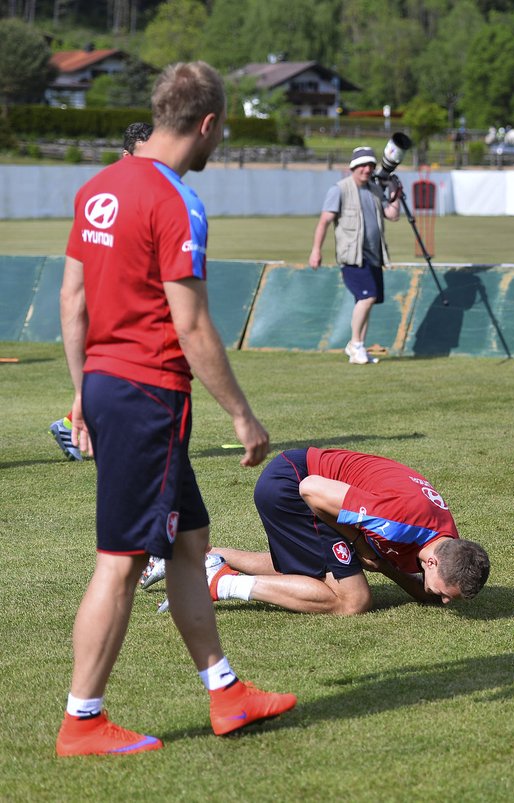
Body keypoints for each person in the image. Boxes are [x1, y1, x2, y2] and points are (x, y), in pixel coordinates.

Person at [55, 62, 296, 757]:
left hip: (107, 382)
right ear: (209, 125)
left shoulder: (97, 187)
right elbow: (190, 324)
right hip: (147, 395)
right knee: (122, 561)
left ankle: (226, 692)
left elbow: (73, 302)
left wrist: (82, 388)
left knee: (190, 540)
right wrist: (243, 415)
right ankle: (83, 719)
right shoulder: (176, 199)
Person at [141, 447, 490, 614]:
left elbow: (416, 582)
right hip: (292, 484)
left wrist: (383, 565)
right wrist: (357, 542)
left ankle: (196, 557)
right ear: (431, 564)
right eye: (445, 594)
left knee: (306, 566)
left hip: (298, 477)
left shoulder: (445, 541)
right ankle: (219, 582)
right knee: (353, 599)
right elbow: (311, 489)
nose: (442, 601)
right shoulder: (398, 522)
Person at [48, 121, 154, 461]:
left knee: (120, 375)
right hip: (107, 299)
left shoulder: (147, 192)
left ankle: (76, 424)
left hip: (125, 298)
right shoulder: (103, 193)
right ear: (126, 156)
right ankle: (75, 425)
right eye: (143, 157)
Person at [309, 146, 401, 365]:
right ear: (353, 167)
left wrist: (395, 192)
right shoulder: (339, 189)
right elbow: (324, 221)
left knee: (366, 300)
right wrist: (316, 250)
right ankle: (355, 344)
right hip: (352, 256)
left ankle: (359, 347)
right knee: (367, 297)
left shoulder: (375, 190)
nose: (367, 169)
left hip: (374, 255)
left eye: (370, 165)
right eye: (362, 165)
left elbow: (392, 215)